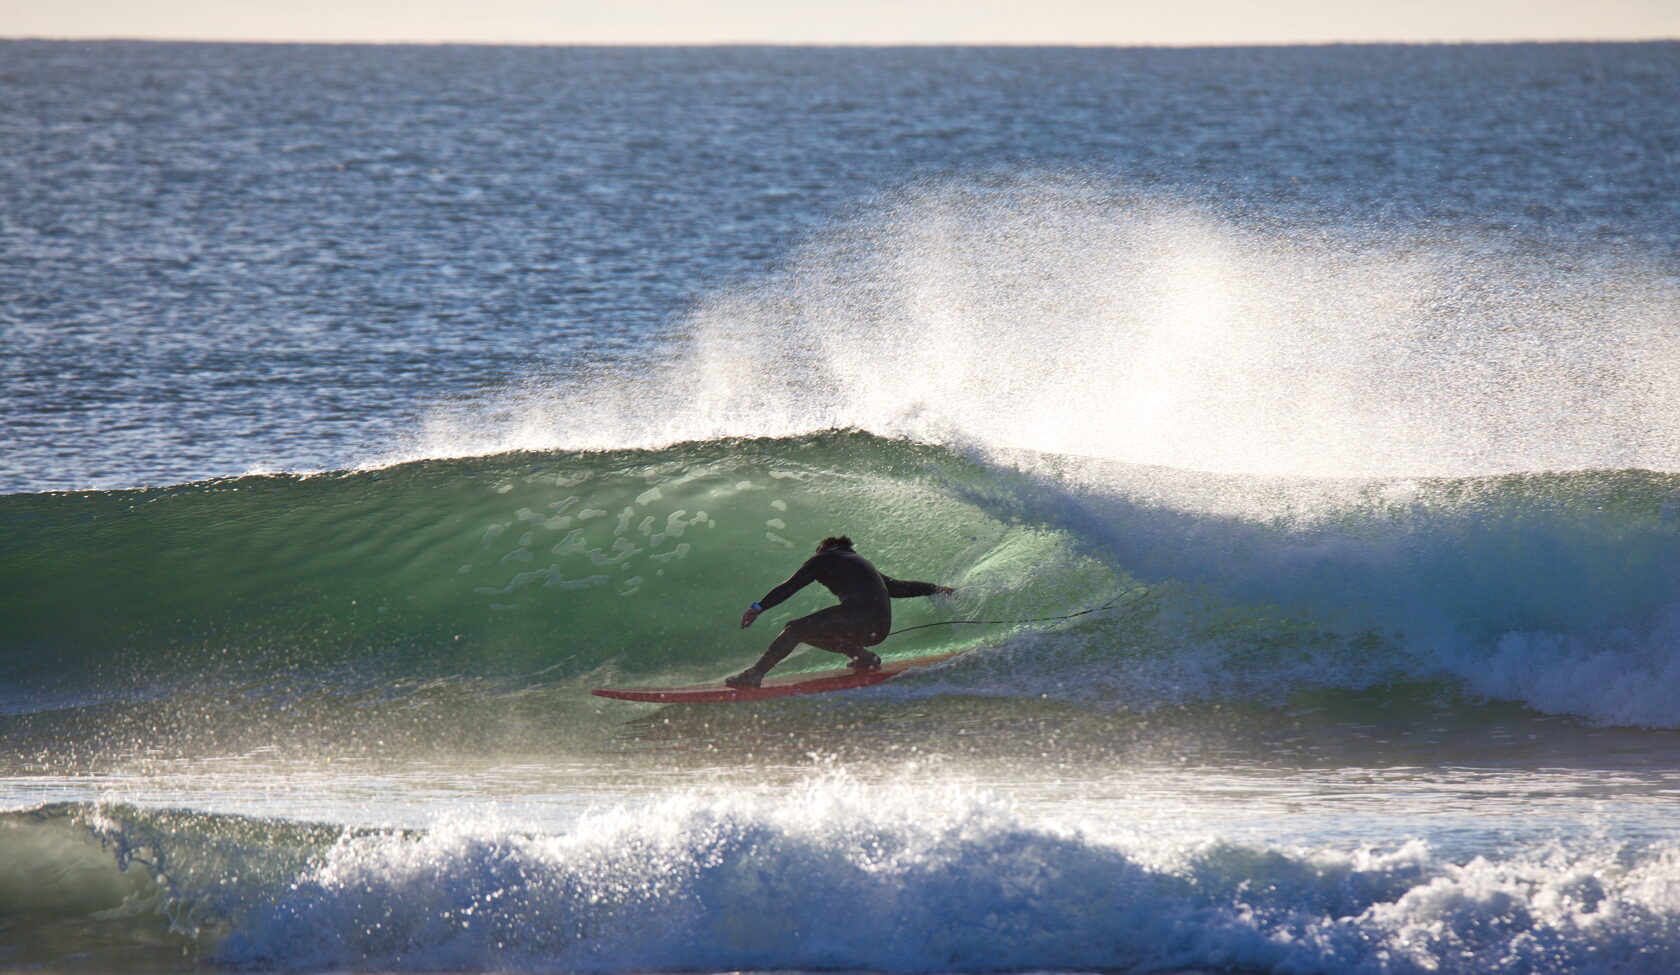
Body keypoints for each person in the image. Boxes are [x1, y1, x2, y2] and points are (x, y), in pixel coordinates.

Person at [729, 535, 953, 688]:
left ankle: (755, 674)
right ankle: (864, 656)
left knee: (794, 629)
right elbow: (900, 588)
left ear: (823, 548)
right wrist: (933, 589)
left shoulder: (823, 558)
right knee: (814, 632)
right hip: (880, 627)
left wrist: (758, 607)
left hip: (859, 615)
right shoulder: (859, 563)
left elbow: (791, 586)